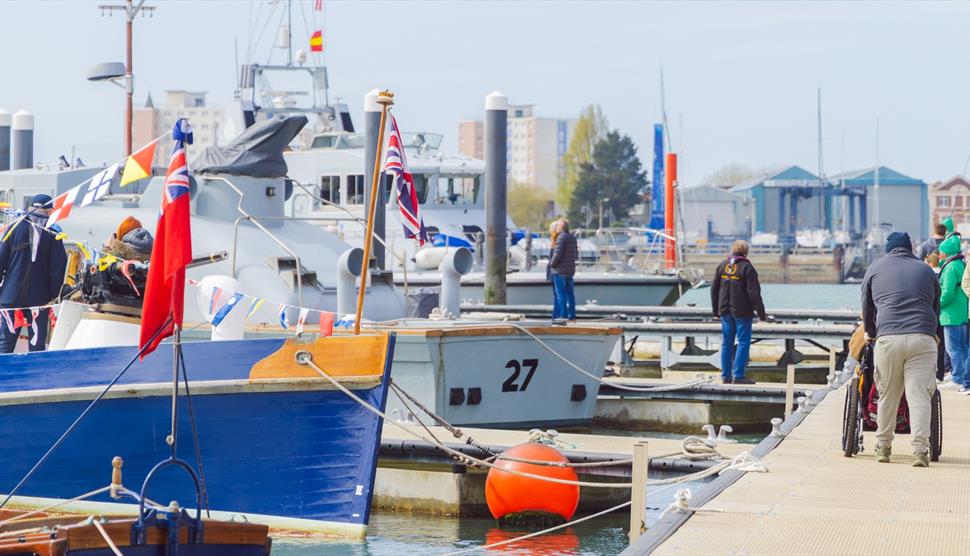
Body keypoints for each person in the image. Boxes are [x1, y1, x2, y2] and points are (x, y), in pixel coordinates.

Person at [861, 231, 940, 467]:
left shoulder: (875, 268)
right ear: (910, 248)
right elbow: (936, 302)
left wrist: (871, 332)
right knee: (919, 397)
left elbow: (867, 305)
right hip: (922, 338)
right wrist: (931, 329)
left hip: (888, 339)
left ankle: (883, 448)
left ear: (889, 248)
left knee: (887, 395)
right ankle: (919, 451)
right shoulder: (925, 269)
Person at [0, 194, 68, 353]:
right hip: (39, 300)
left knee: (4, 344)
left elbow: (1, 260)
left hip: (11, 297)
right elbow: (58, 269)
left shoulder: (14, 228)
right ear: (50, 210)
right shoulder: (53, 233)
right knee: (36, 344)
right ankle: (35, 376)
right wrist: (54, 296)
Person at [710, 239, 766, 385]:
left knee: (726, 343)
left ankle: (726, 376)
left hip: (724, 311)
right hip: (742, 312)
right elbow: (754, 293)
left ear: (732, 250)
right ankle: (738, 376)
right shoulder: (747, 268)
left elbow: (714, 289)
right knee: (743, 342)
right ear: (746, 252)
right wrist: (761, 314)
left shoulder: (722, 266)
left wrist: (715, 310)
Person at [937, 235, 969, 393]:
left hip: (951, 314)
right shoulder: (959, 264)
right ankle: (963, 377)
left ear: (947, 252)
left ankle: (957, 378)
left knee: (953, 348)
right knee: (963, 347)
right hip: (961, 311)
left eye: (941, 251)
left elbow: (947, 292)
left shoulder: (949, 268)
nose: (939, 254)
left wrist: (937, 305)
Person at [549, 218, 578, 323]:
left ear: (561, 227)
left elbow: (557, 254)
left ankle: (563, 316)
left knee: (560, 294)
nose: (555, 228)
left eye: (557, 226)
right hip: (570, 271)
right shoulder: (572, 238)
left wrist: (551, 265)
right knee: (570, 294)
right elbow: (576, 254)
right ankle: (572, 316)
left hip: (559, 271)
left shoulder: (561, 238)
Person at [547, 219, 562, 319]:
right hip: (556, 272)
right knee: (558, 295)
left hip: (555, 273)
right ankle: (557, 316)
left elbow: (553, 259)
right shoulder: (557, 241)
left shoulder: (555, 242)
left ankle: (556, 316)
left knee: (557, 295)